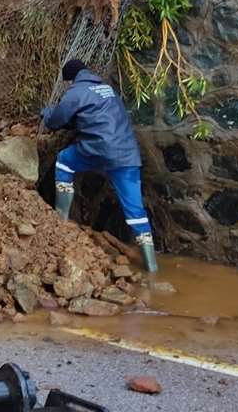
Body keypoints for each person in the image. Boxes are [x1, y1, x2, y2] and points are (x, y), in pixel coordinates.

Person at [42, 58, 157, 272]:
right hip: (128, 155)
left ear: (71, 79)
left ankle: (60, 222)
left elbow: (56, 121)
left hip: (98, 150)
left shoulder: (76, 92)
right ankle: (152, 268)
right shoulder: (108, 90)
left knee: (64, 162)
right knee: (135, 210)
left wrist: (47, 113)